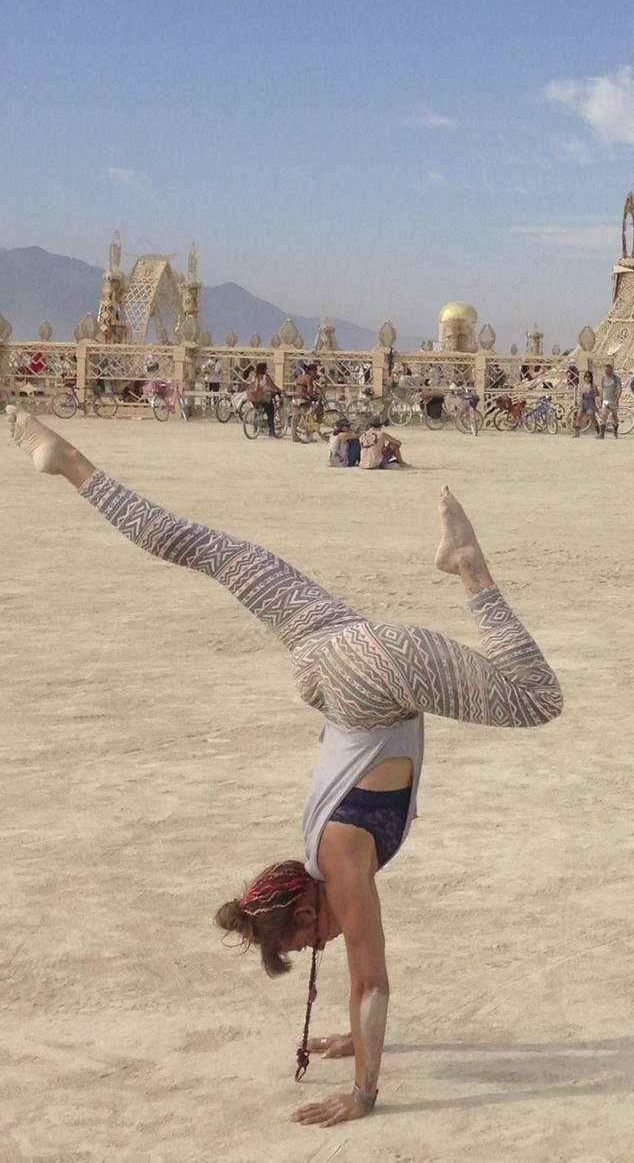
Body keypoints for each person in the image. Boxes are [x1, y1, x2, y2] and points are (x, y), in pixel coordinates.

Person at [6, 406, 562, 1129]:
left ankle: (467, 563)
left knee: (537, 699)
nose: (322, 943)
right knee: (202, 547)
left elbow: (372, 980)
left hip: (369, 672)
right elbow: (356, 977)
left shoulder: (339, 857)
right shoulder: (321, 850)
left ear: (304, 908)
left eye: (308, 939)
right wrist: (350, 1039)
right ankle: (70, 461)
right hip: (321, 648)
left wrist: (363, 1093)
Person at [247, 362, 281, 437]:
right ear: (264, 369)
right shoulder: (265, 377)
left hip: (253, 398)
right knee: (270, 412)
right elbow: (272, 385)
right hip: (261, 398)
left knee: (258, 410)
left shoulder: (254, 376)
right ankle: (272, 431)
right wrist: (279, 390)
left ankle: (255, 428)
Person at [291, 362, 318, 442]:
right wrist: (315, 397)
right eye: (315, 372)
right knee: (309, 415)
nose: (315, 374)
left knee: (296, 417)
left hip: (295, 397)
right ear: (312, 371)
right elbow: (309, 391)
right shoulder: (309, 378)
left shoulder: (299, 377)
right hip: (303, 398)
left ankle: (295, 437)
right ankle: (308, 435)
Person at [571, 371, 600, 438]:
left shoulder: (593, 386)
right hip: (583, 403)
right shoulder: (583, 385)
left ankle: (599, 431)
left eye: (588, 376)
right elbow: (580, 393)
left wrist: (589, 396)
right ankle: (577, 433)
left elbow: (597, 394)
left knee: (592, 418)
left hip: (590, 403)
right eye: (586, 376)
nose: (587, 378)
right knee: (579, 416)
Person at [597, 362, 622, 438]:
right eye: (605, 370)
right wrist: (601, 399)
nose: (606, 371)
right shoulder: (603, 379)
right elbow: (602, 390)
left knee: (614, 416)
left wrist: (617, 399)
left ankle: (615, 433)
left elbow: (619, 389)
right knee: (604, 416)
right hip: (605, 399)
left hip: (613, 399)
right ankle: (602, 434)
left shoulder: (616, 378)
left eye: (607, 370)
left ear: (611, 370)